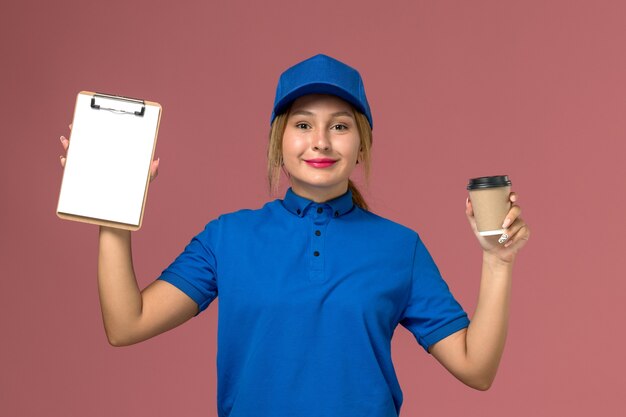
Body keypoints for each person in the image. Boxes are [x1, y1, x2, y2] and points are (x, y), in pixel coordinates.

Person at [59, 54, 530, 417]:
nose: (320, 141)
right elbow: (126, 325)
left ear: (361, 145)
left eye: (339, 126)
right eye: (303, 124)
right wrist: (113, 216)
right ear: (278, 141)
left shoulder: (398, 247)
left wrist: (498, 262)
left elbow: (476, 368)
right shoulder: (228, 237)